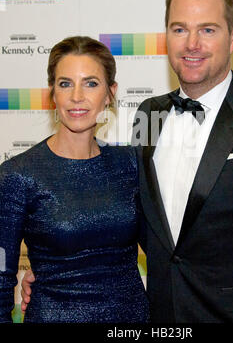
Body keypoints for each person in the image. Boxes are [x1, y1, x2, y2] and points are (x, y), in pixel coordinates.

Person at [22, 0, 233, 323]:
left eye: (208, 30)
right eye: (179, 29)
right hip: (159, 317)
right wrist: (54, 268)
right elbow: (132, 217)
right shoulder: (148, 114)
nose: (192, 43)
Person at [0, 36, 149, 323]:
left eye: (91, 83)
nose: (77, 96)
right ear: (52, 93)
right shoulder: (17, 175)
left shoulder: (130, 163)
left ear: (110, 93)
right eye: (65, 83)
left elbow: (164, 250)